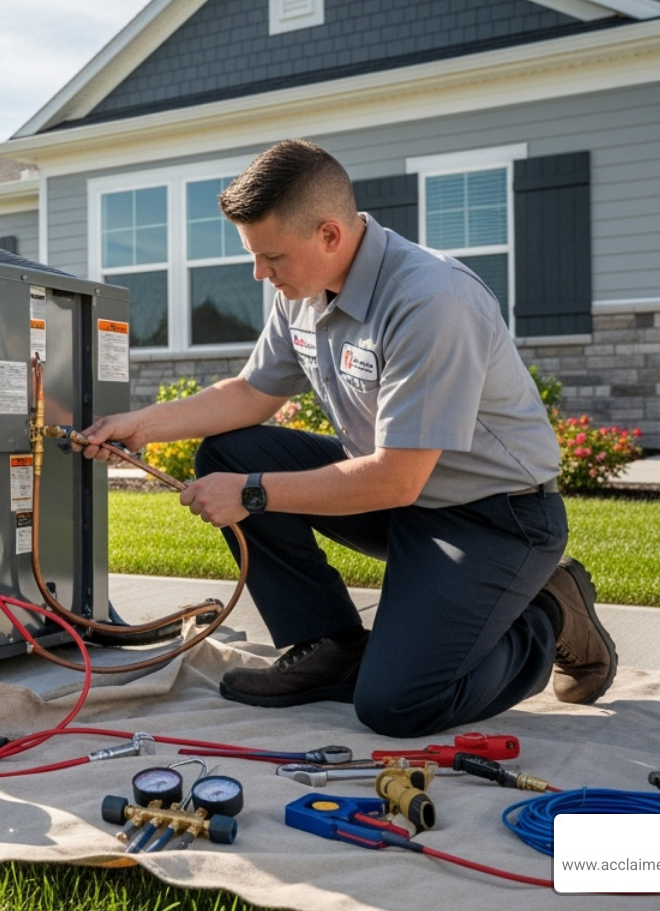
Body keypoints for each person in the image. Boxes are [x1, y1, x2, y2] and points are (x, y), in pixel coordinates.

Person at [76, 139, 616, 738]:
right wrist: (138, 426)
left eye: (271, 256)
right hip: (398, 502)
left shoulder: (430, 300)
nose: (259, 273)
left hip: (493, 518)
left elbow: (397, 477)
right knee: (231, 449)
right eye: (254, 256)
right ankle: (328, 645)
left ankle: (545, 609)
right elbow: (254, 392)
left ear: (329, 235)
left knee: (398, 705)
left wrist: (251, 495)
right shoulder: (302, 291)